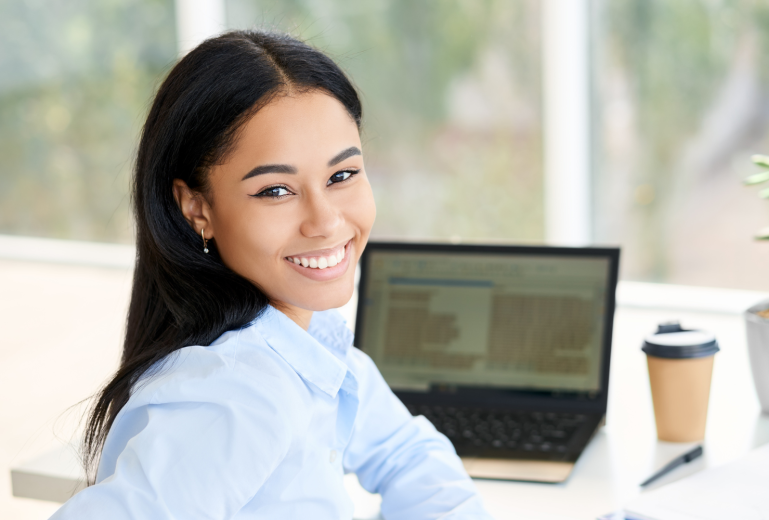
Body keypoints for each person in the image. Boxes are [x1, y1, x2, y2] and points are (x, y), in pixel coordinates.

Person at [50, 31, 492, 519]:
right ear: (197, 207)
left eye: (341, 176)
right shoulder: (236, 389)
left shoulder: (306, 345)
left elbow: (408, 453)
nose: (325, 221)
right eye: (276, 190)